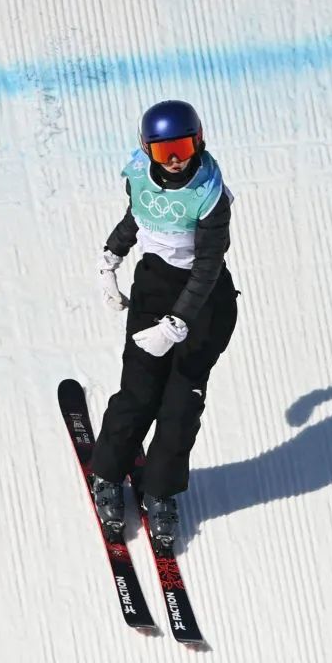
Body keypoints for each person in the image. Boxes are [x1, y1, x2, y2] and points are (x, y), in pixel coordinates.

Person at [88, 99, 238, 549]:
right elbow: (140, 214)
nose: (174, 159)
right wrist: (109, 258)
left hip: (204, 302)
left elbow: (209, 266)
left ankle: (161, 492)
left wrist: (176, 324)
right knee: (138, 391)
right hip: (154, 289)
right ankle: (108, 474)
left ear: (199, 141)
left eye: (182, 146)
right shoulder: (139, 174)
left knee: (180, 404)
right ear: (146, 150)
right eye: (163, 150)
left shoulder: (209, 193)